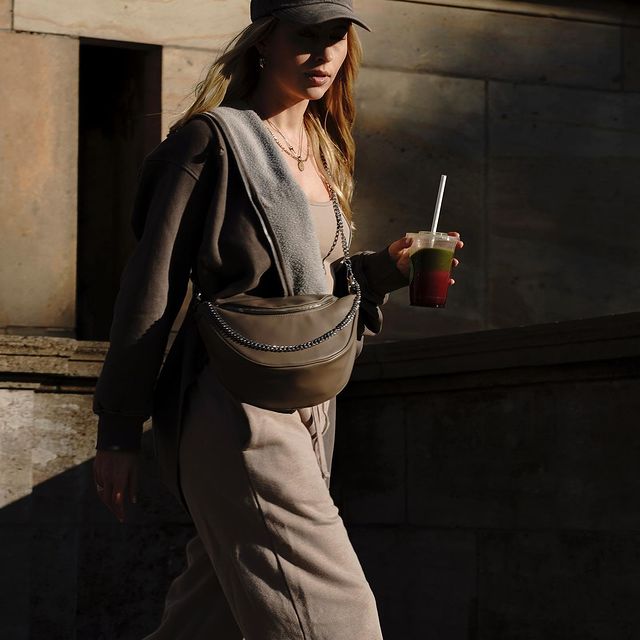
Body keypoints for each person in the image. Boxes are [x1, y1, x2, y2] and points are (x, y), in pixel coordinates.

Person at [92, 0, 463, 638]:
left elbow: (312, 286)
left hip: (313, 398)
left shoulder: (321, 145)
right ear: (263, 41)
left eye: (337, 38)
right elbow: (149, 289)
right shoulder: (211, 141)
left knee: (206, 621)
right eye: (305, 37)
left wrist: (385, 270)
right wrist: (119, 428)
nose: (324, 56)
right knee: (338, 619)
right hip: (237, 405)